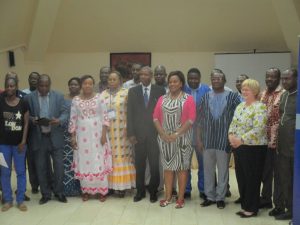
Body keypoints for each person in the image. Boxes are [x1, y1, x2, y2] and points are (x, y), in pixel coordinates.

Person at [198, 69, 240, 209]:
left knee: (223, 171)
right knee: (208, 170)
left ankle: (220, 197)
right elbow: (199, 120)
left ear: (224, 80)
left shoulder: (233, 97)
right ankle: (210, 196)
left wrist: (233, 138)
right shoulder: (205, 97)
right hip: (208, 140)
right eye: (213, 78)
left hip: (224, 141)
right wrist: (199, 139)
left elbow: (238, 119)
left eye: (219, 78)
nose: (216, 80)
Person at [153, 71, 196, 208]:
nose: (172, 84)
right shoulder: (162, 98)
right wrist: (163, 134)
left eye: (175, 81)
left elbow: (191, 119)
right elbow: (155, 118)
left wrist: (176, 134)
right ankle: (168, 197)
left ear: (181, 83)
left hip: (183, 139)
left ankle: (181, 198)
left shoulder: (188, 98)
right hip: (165, 139)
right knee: (168, 169)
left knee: (182, 169)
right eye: (170, 81)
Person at [26, 74, 68, 205]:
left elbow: (65, 113)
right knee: (41, 167)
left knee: (59, 167)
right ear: (37, 85)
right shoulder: (29, 98)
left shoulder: (59, 96)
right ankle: (45, 194)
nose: (43, 88)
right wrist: (33, 119)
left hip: (55, 136)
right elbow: (26, 115)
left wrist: (59, 120)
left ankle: (59, 192)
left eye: (46, 85)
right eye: (41, 86)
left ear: (50, 85)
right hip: (39, 138)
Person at [69, 75, 112, 202]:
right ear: (82, 85)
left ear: (93, 85)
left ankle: (101, 191)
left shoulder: (99, 98)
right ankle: (86, 190)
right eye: (85, 83)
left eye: (90, 83)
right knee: (84, 161)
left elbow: (105, 116)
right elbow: (73, 119)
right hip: (82, 136)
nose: (87, 86)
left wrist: (104, 135)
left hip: (98, 134)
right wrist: (73, 137)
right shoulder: (76, 100)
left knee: (98, 160)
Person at [229, 79, 268, 217]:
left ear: (255, 91)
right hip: (239, 147)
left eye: (247, 89)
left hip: (254, 149)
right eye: (243, 89)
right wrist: (231, 136)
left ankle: (252, 208)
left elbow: (259, 129)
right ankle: (245, 204)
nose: (244, 91)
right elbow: (233, 123)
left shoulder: (260, 107)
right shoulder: (240, 106)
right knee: (242, 177)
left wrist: (241, 139)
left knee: (252, 178)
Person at [127, 66, 165, 203]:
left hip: (155, 135)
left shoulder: (160, 91)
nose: (143, 76)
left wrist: (161, 132)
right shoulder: (133, 91)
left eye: (146, 74)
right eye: (141, 74)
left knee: (155, 165)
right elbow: (129, 113)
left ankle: (154, 191)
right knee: (140, 164)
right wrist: (130, 133)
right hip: (138, 136)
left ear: (151, 76)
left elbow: (162, 113)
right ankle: (140, 191)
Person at [100, 71, 135, 197]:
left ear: (120, 81)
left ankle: (121, 187)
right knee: (109, 157)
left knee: (121, 157)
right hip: (107, 131)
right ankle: (109, 186)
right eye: (110, 79)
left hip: (122, 131)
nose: (111, 81)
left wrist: (129, 128)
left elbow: (131, 112)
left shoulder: (126, 93)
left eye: (114, 79)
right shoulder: (102, 95)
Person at [0, 77, 29, 212]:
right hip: (3, 145)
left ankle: (20, 200)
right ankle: (7, 200)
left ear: (16, 86)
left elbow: (26, 123)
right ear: (5, 87)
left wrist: (23, 141)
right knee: (5, 173)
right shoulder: (0, 101)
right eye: (8, 86)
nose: (10, 88)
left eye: (12, 86)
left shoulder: (23, 103)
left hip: (19, 145)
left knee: (21, 172)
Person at [260, 68, 285, 215]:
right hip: (263, 142)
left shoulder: (284, 94)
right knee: (266, 173)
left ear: (279, 78)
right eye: (267, 76)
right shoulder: (262, 94)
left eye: (273, 77)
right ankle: (266, 199)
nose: (270, 79)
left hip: (279, 143)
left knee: (279, 175)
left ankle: (279, 204)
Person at [183, 68, 210, 199]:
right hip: (185, 133)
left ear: (200, 78)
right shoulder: (182, 89)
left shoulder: (206, 90)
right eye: (190, 78)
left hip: (202, 134)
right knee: (185, 164)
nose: (193, 81)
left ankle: (203, 189)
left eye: (195, 78)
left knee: (203, 164)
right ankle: (186, 189)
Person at [275, 68, 297, 221]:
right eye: (283, 79)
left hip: (296, 147)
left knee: (296, 181)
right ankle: (290, 209)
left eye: (287, 78)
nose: (284, 81)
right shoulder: (283, 96)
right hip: (282, 147)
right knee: (285, 179)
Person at [63, 77, 81, 196]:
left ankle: (80, 188)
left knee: (79, 160)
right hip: (65, 134)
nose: (73, 86)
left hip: (81, 133)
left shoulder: (82, 99)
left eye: (76, 84)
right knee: (67, 161)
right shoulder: (63, 98)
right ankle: (67, 189)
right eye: (71, 84)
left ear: (79, 86)